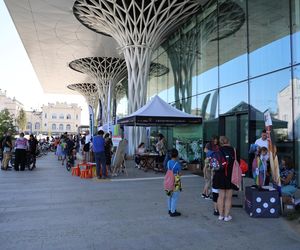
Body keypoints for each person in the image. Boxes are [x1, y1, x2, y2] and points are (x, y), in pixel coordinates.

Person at [213, 136, 237, 222]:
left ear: (220, 142)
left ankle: (220, 215)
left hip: (220, 175)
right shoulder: (233, 150)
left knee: (221, 196)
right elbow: (237, 163)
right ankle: (226, 216)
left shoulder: (218, 150)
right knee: (228, 197)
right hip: (230, 176)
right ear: (228, 141)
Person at [166, 148, 182, 217]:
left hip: (169, 180)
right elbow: (180, 173)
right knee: (175, 196)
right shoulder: (177, 164)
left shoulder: (168, 162)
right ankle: (173, 211)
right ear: (177, 155)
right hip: (176, 180)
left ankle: (169, 209)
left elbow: (168, 169)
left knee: (169, 195)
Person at [202, 135, 219, 200]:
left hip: (212, 163)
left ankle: (204, 193)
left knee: (208, 181)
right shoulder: (208, 145)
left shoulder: (216, 146)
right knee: (209, 181)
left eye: (216, 140)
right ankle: (206, 194)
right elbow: (205, 150)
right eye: (214, 139)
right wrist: (213, 153)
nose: (216, 141)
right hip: (210, 164)